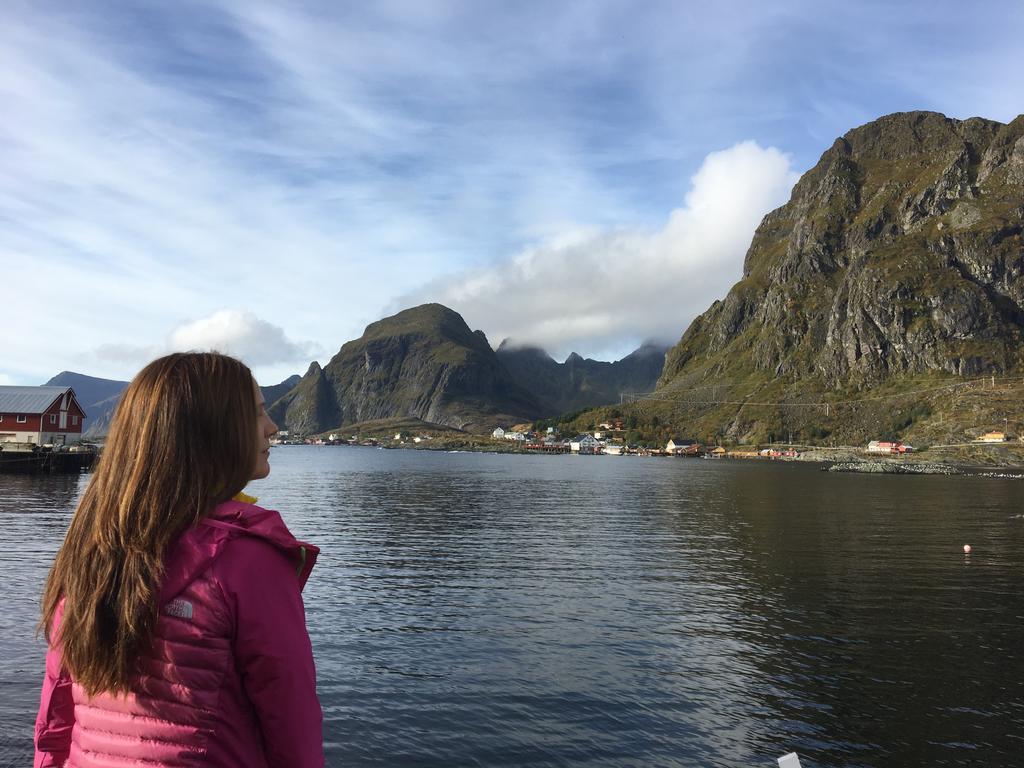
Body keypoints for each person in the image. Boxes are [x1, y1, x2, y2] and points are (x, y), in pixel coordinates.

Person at [33, 352, 324, 767]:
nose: (272, 429)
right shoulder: (248, 561)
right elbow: (293, 729)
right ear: (212, 431)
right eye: (258, 413)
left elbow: (56, 715)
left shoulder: (92, 552)